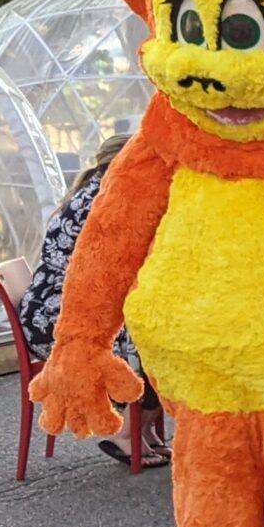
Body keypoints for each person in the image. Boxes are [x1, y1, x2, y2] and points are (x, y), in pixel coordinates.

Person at [21, 136, 167, 465]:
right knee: (159, 345)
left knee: (157, 333)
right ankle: (126, 433)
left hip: (51, 309)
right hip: (61, 320)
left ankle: (141, 430)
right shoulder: (113, 194)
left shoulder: (100, 187)